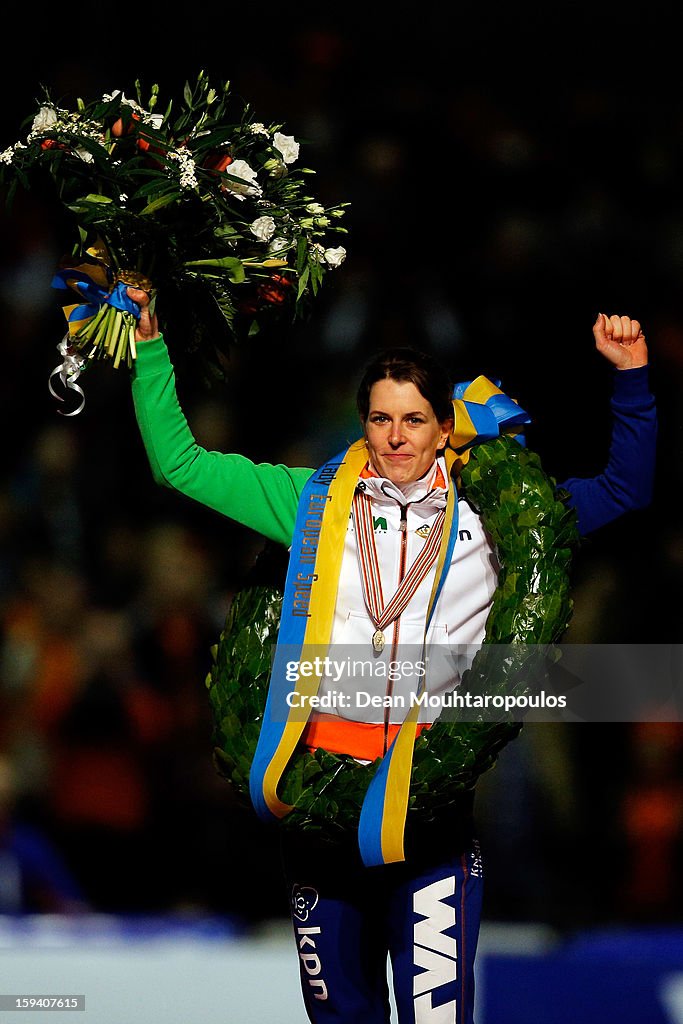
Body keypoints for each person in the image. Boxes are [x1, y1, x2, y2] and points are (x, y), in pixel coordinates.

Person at [125, 287, 656, 1024]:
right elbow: (179, 464)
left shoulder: (500, 519)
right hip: (319, 811)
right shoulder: (309, 504)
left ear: (445, 428)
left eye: (413, 420)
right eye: (380, 419)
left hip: (428, 811)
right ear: (363, 425)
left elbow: (625, 490)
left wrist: (630, 378)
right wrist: (150, 347)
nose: (396, 437)